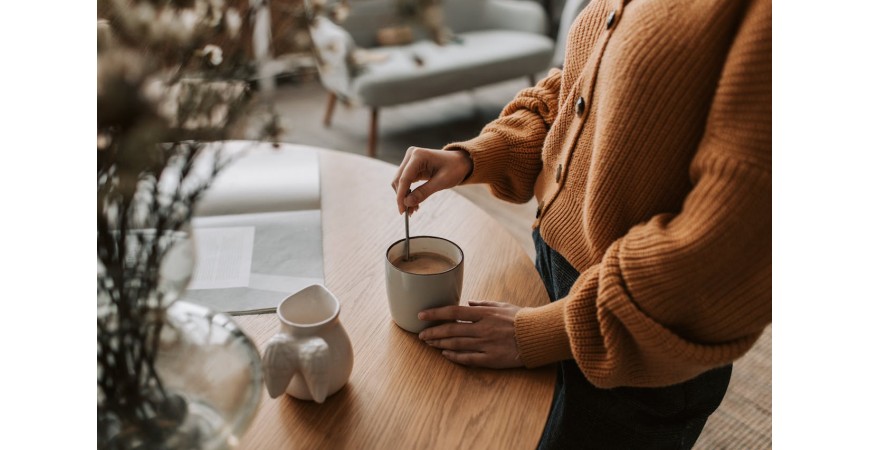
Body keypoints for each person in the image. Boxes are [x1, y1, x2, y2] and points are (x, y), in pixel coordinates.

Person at [390, 0, 771, 448]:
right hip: (551, 274)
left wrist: (548, 332)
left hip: (639, 335)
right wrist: (475, 155)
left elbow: (732, 248)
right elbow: (577, 85)